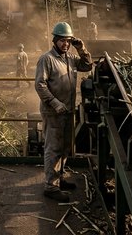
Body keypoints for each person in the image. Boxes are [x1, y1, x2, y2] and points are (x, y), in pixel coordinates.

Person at [35, 21, 93, 202]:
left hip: (68, 110)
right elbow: (40, 85)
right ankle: (50, 186)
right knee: (53, 147)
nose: (65, 44)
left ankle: (59, 178)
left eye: (68, 41)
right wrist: (55, 103)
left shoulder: (70, 58)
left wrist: (82, 48)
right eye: (62, 41)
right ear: (55, 40)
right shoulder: (47, 59)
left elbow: (88, 65)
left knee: (66, 146)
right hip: (53, 112)